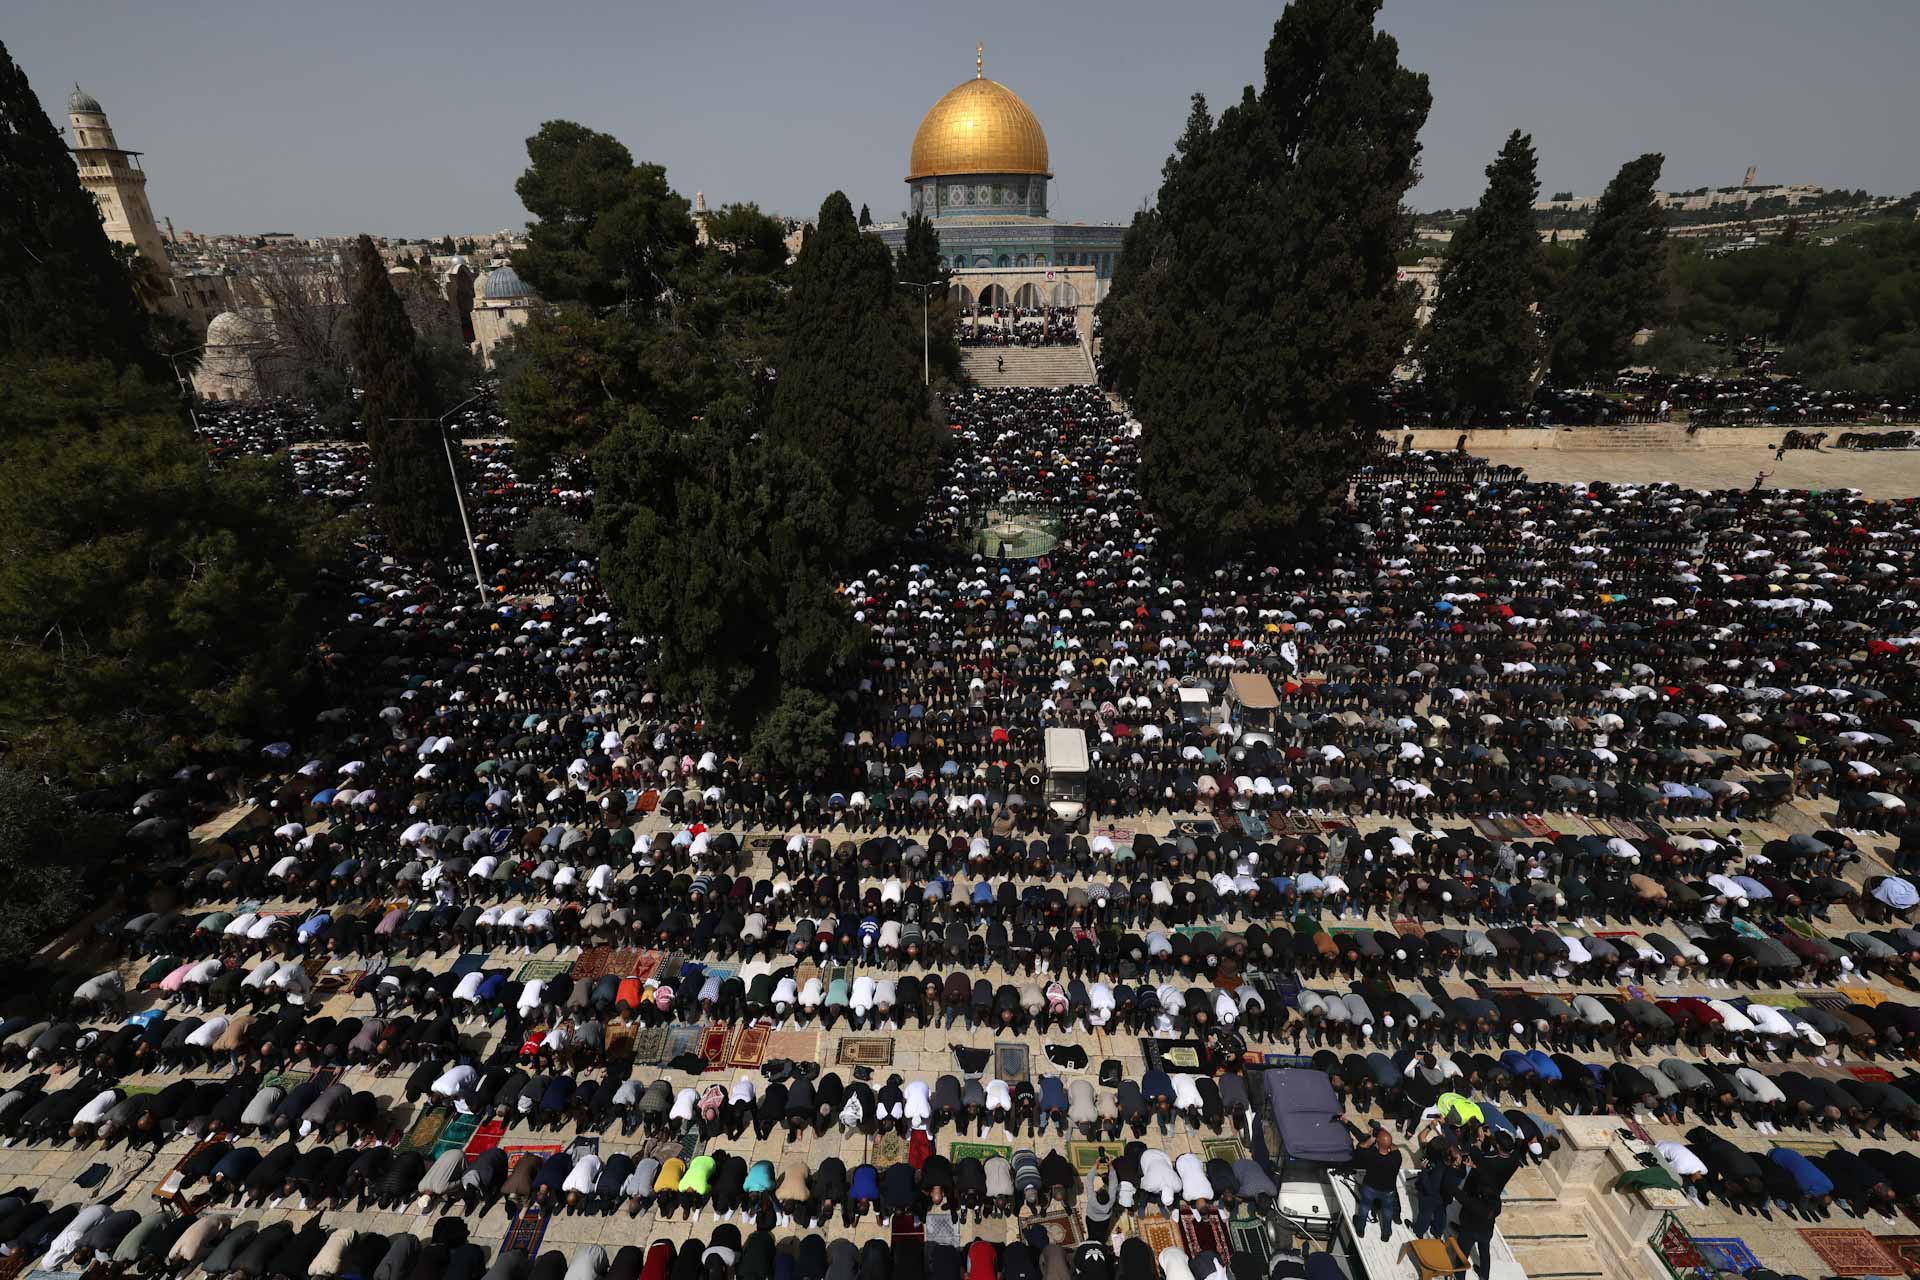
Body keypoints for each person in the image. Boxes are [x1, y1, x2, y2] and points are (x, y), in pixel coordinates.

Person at [1340, 1117, 1401, 1242]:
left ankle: (1360, 1230)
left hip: (1370, 1188)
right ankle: (1386, 1233)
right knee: (1387, 1211)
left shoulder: (1371, 1156)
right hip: (1388, 1190)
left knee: (1364, 1208)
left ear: (1377, 1142)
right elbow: (1393, 1147)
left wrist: (1374, 1136)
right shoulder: (1397, 1157)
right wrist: (1384, 1137)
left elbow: (1361, 1147)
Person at [1412, 1140, 1463, 1239]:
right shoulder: (1457, 1172)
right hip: (1444, 1198)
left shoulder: (1439, 1170)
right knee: (1441, 1215)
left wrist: (1424, 1171)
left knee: (1425, 1215)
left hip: (1431, 1198)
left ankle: (1419, 1231)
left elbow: (1429, 1188)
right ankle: (1438, 1231)